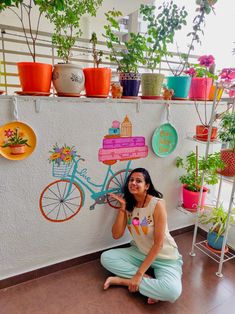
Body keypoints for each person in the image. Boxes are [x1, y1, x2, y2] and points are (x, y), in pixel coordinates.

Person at [100, 168, 183, 304]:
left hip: (166, 257)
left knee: (172, 292)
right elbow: (116, 234)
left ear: (147, 186)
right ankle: (150, 282)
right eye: (131, 180)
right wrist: (122, 208)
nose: (133, 183)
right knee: (106, 257)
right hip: (140, 252)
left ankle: (124, 281)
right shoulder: (129, 206)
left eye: (138, 181)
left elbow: (158, 244)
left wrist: (138, 275)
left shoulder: (157, 204)